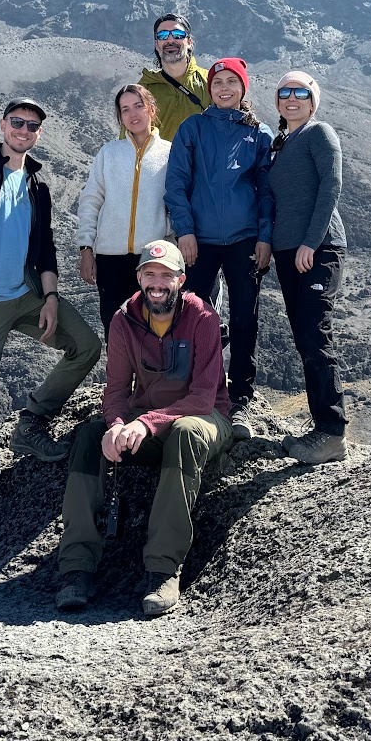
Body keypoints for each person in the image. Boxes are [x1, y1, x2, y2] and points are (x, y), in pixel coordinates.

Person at [0, 97, 102, 559]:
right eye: (17, 122)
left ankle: (31, 421)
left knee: (86, 345)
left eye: (32, 126)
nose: (23, 131)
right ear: (3, 125)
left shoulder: (37, 184)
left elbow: (44, 245)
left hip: (27, 295)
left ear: (39, 133)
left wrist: (50, 298)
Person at [53, 239, 230, 618]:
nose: (157, 283)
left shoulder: (203, 319)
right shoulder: (124, 321)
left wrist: (146, 423)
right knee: (89, 436)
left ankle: (163, 570)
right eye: (150, 274)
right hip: (146, 421)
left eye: (166, 275)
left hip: (204, 417)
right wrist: (117, 426)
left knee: (184, 431)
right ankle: (76, 568)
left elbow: (201, 398)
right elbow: (116, 390)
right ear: (139, 278)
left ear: (181, 280)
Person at [164, 58, 272, 434]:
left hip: (244, 240)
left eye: (232, 82)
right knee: (192, 317)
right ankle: (195, 390)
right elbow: (176, 184)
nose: (224, 88)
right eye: (217, 82)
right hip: (201, 241)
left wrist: (265, 237)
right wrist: (185, 231)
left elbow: (266, 191)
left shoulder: (259, 134)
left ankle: (240, 399)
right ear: (209, 88)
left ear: (244, 88)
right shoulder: (192, 128)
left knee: (245, 319)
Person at [266, 70, 348, 465]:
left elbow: (331, 187)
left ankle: (333, 433)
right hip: (288, 252)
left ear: (313, 101)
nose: (292, 98)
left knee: (316, 337)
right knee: (304, 338)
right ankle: (321, 427)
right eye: (285, 92)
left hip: (318, 249)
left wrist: (310, 243)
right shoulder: (281, 143)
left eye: (301, 92)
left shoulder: (319, 133)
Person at [76, 83, 171, 329]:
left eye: (139, 106)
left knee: (155, 332)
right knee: (116, 331)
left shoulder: (170, 153)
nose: (133, 114)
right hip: (110, 260)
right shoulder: (109, 153)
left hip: (153, 260)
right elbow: (91, 200)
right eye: (125, 109)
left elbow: (177, 203)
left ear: (151, 109)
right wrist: (86, 248)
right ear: (120, 117)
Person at [138, 13, 210, 141]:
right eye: (163, 35)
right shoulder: (144, 89)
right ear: (156, 44)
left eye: (178, 35)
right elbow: (129, 139)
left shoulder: (211, 82)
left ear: (189, 42)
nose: (170, 40)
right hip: (157, 161)